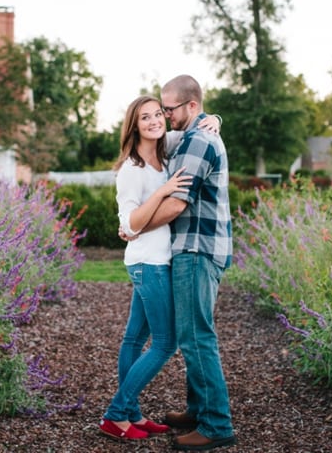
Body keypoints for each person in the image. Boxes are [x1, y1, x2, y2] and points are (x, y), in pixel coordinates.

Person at [99, 95, 219, 441]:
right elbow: (131, 223)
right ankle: (115, 414)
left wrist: (216, 118)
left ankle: (131, 414)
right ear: (134, 126)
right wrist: (163, 191)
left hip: (154, 260)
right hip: (146, 263)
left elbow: (195, 122)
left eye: (157, 115)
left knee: (135, 339)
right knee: (165, 343)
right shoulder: (131, 170)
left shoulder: (165, 147)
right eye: (145, 118)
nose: (154, 121)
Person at [134, 75, 236, 451]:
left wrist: (136, 227)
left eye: (170, 109)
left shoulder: (198, 139)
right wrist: (218, 117)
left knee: (196, 338)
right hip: (197, 248)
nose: (165, 115)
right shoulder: (190, 134)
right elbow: (153, 136)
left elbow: (177, 203)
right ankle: (197, 409)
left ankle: (216, 425)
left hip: (197, 249)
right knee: (194, 334)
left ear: (191, 107)